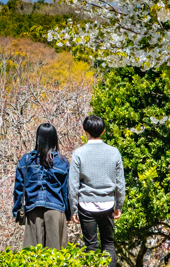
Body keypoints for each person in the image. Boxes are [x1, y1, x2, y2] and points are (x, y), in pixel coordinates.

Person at [69, 114, 125, 267]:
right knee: (108, 244)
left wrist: (73, 209)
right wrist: (119, 206)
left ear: (85, 131)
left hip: (86, 205)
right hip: (107, 204)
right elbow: (120, 184)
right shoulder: (114, 152)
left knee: (91, 247)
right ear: (103, 131)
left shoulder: (78, 154)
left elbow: (73, 185)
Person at [12, 122, 71, 248]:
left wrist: (16, 210)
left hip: (33, 210)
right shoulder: (62, 161)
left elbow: (18, 188)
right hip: (56, 210)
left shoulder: (26, 160)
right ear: (55, 139)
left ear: (37, 138)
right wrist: (68, 212)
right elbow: (66, 190)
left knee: (32, 255)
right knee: (55, 256)